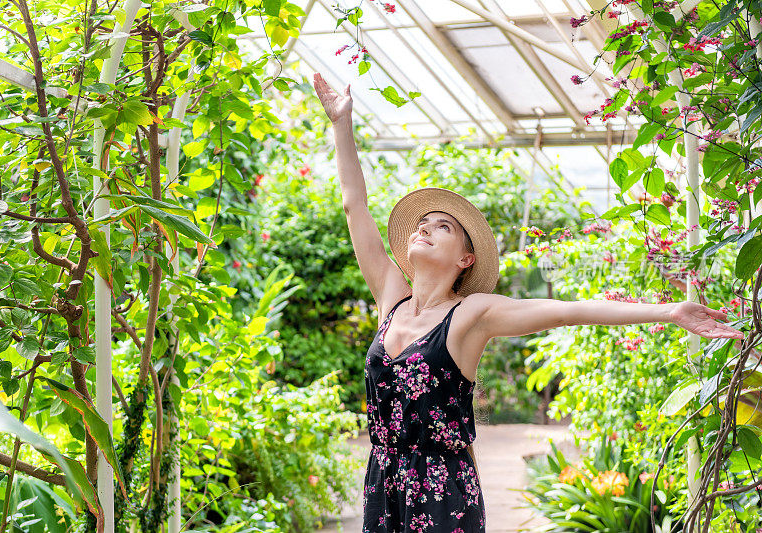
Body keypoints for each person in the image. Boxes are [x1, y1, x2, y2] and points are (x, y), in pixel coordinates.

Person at [312, 72, 743, 533]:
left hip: (444, 495)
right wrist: (342, 124)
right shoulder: (390, 299)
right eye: (422, 223)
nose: (424, 227)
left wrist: (668, 311)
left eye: (442, 226)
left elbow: (566, 311)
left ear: (465, 258)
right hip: (383, 483)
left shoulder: (470, 315)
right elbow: (354, 206)